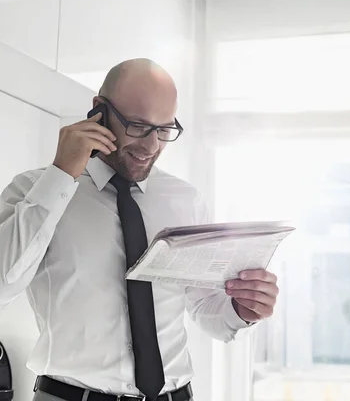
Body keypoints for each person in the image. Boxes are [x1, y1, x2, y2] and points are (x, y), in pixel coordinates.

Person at [0, 59, 279, 401]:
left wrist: (242, 308)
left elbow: (205, 308)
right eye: (137, 125)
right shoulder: (35, 190)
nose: (151, 147)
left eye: (164, 130)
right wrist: (62, 174)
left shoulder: (185, 200)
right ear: (98, 111)